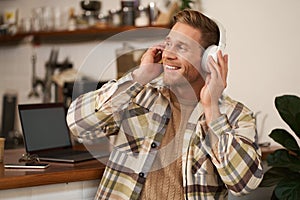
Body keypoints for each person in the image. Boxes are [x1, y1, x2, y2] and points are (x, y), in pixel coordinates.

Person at [67, 9, 263, 200]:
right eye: (168, 44)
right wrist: (140, 76)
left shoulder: (235, 115)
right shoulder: (139, 95)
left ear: (208, 59)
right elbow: (79, 124)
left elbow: (244, 184)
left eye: (182, 47)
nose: (168, 54)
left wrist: (211, 108)